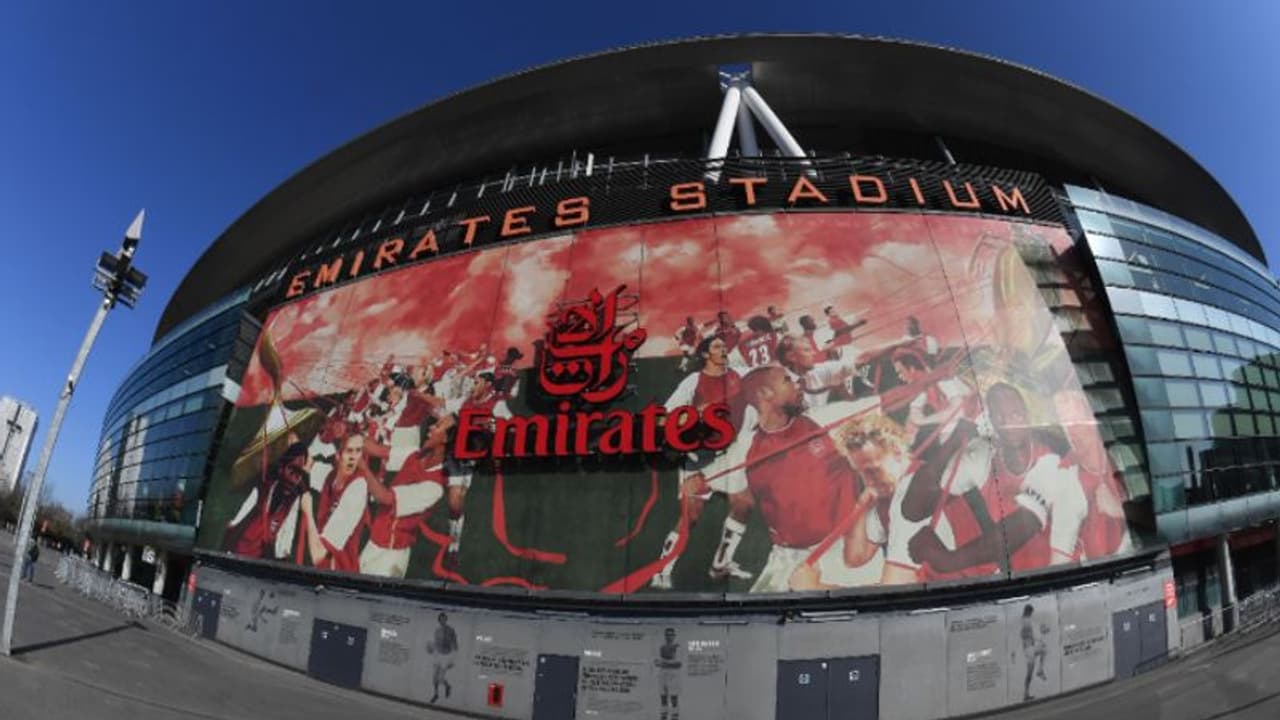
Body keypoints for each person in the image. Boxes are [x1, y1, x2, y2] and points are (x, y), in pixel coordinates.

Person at [651, 336, 754, 589]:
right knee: (690, 517)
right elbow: (664, 417)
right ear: (706, 354)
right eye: (718, 347)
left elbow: (767, 380)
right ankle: (661, 571)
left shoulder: (741, 374)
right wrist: (695, 417)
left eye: (724, 345)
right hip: (701, 454)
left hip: (731, 452)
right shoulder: (693, 381)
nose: (724, 350)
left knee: (744, 504)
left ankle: (721, 562)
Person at [360, 415, 454, 578]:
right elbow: (377, 450)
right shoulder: (416, 455)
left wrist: (362, 468)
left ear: (446, 439)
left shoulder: (435, 487)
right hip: (374, 542)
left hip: (390, 556)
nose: (431, 427)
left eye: (437, 426)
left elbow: (386, 498)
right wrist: (351, 434)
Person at [299, 433, 371, 572]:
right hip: (323, 568)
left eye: (358, 451)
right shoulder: (332, 475)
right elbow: (310, 463)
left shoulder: (357, 489)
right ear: (338, 455)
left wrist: (308, 512)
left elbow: (318, 555)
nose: (354, 457)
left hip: (340, 572)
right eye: (349, 451)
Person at [427, 612, 459, 703]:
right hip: (438, 655)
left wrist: (453, 660)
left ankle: (448, 686)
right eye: (441, 619)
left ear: (446, 619)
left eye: (444, 619)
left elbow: (455, 645)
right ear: (439, 620)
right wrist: (431, 649)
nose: (443, 621)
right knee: (434, 677)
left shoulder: (451, 630)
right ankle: (436, 694)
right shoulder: (437, 631)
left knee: (440, 678)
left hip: (447, 655)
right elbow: (435, 644)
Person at [1020, 604, 1049, 700]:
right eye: (1031, 612)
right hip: (1029, 649)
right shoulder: (1026, 621)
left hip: (1030, 648)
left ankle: (1040, 670)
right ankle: (1026, 694)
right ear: (1029, 612)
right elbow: (1029, 635)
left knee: (1044, 650)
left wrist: (1039, 640)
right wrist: (1040, 639)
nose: (1031, 614)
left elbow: (1031, 635)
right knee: (1029, 673)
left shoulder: (1026, 620)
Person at [655, 627, 683, 720]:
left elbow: (678, 664)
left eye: (671, 635)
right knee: (663, 698)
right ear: (665, 636)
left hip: (673, 675)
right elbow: (656, 662)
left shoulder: (678, 647)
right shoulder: (661, 647)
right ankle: (663, 717)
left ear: (674, 636)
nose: (669, 637)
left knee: (673, 698)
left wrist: (664, 663)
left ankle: (674, 717)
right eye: (667, 635)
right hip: (662, 674)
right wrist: (667, 663)